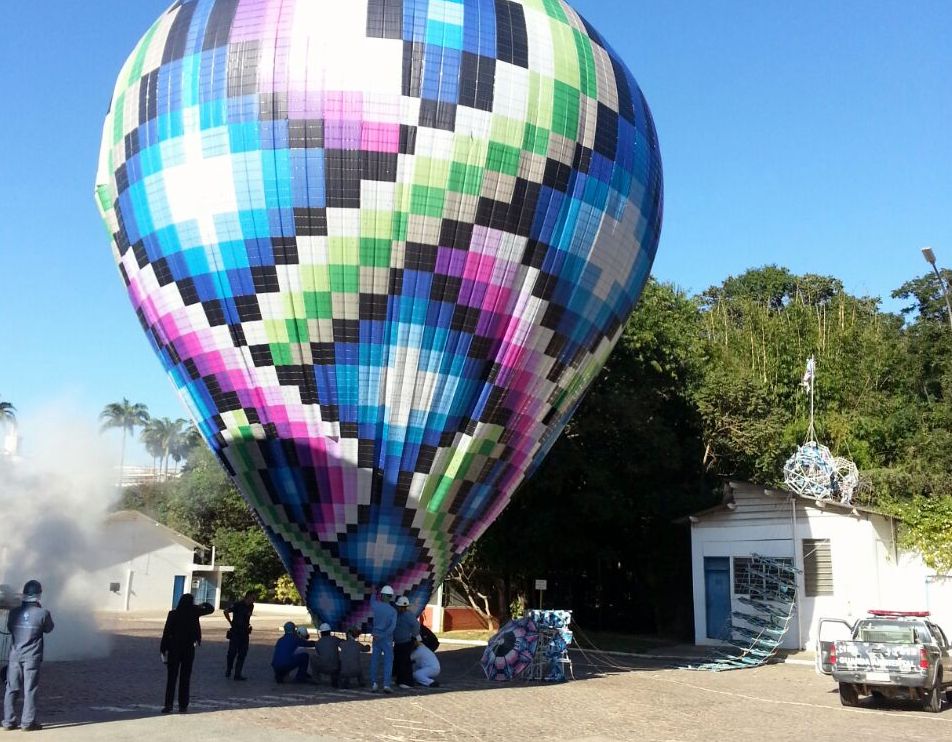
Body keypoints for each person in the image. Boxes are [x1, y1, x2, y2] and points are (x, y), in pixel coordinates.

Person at [2, 580, 54, 732]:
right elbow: (49, 628)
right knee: (30, 689)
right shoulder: (43, 613)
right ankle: (27, 723)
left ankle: (8, 722)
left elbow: (11, 628)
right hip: (32, 656)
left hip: (15, 656)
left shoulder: (13, 612)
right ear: (38, 595)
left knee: (11, 688)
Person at [159, 593, 215, 714]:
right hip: (189, 648)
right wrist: (202, 604)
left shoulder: (173, 613)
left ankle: (168, 705)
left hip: (174, 648)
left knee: (172, 678)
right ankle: (183, 705)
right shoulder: (194, 612)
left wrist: (163, 648)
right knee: (185, 677)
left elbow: (166, 631)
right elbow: (211, 609)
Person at [368, 585, 396, 693]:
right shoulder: (393, 611)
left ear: (382, 596)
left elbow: (372, 600)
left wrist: (374, 592)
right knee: (388, 661)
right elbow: (392, 627)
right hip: (387, 639)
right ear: (390, 596)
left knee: (375, 660)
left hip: (376, 637)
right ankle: (386, 685)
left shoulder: (376, 606)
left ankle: (374, 683)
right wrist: (384, 635)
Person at [223, 591, 256, 680]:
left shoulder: (251, 606)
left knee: (242, 654)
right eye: (253, 598)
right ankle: (229, 669)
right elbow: (226, 611)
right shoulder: (237, 604)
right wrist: (230, 622)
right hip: (235, 632)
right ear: (247, 597)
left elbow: (247, 617)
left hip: (245, 632)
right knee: (232, 653)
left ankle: (237, 674)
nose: (254, 601)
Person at [392, 596, 420, 689]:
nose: (401, 608)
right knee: (398, 661)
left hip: (406, 642)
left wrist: (413, 636)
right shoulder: (397, 614)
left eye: (403, 607)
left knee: (405, 662)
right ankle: (400, 680)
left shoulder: (408, 615)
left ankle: (407, 682)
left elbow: (416, 626)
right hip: (398, 642)